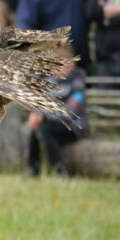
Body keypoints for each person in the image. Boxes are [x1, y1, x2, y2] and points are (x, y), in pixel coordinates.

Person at [26, 44, 89, 178]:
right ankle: (33, 168)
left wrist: (44, 116)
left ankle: (59, 170)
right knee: (36, 128)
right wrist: (36, 115)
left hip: (74, 126)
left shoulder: (77, 84)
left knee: (44, 129)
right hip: (52, 123)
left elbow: (70, 111)